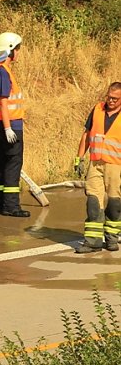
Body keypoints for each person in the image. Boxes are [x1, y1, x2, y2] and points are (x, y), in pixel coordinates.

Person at [73, 82, 121, 253]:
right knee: (93, 200)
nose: (111, 101)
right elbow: (86, 134)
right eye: (109, 97)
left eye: (115, 99)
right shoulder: (97, 110)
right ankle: (92, 241)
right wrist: (79, 157)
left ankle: (112, 238)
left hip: (116, 166)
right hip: (95, 163)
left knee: (115, 203)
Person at [0, 31, 30, 218]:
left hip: (0, 122)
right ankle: (11, 206)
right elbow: (3, 102)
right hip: (9, 124)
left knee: (0, 161)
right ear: (10, 50)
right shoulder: (3, 72)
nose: (18, 53)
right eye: (17, 49)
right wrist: (8, 128)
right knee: (13, 163)